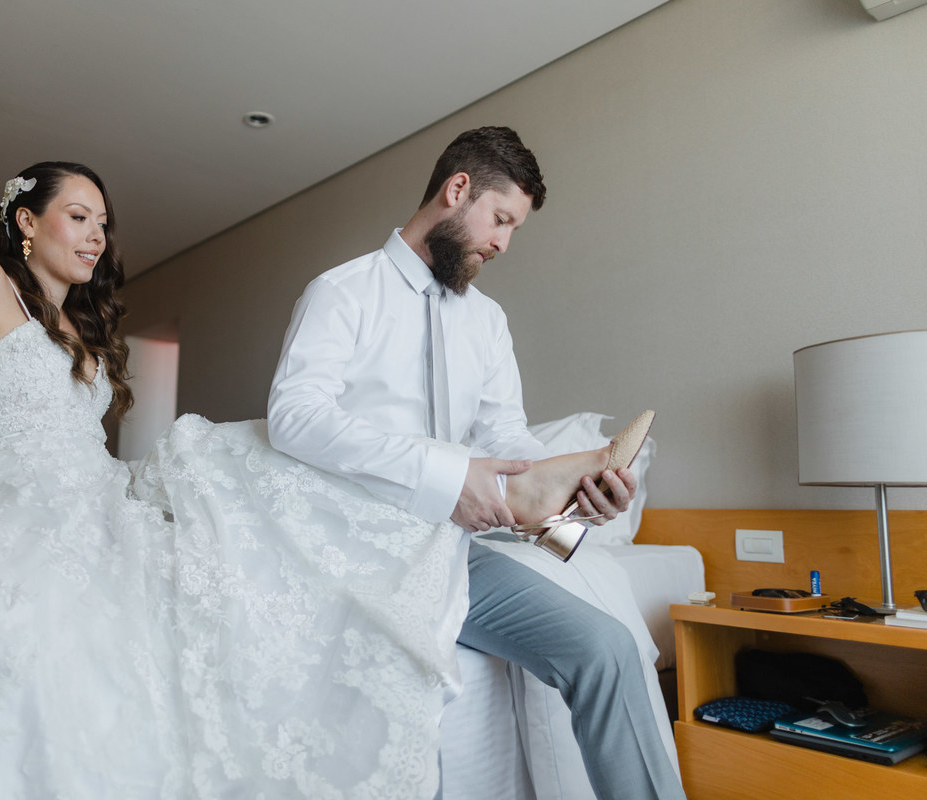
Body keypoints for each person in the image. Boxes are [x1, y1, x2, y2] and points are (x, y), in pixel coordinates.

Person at [0, 162, 481, 799]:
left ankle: (409, 529)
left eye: (102, 224)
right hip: (16, 503)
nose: (96, 237)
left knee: (231, 517)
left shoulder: (76, 322)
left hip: (102, 501)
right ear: (25, 220)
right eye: (78, 218)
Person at [268, 127, 687, 799]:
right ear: (457, 190)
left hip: (453, 554)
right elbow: (295, 417)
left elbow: (507, 440)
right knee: (405, 710)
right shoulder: (342, 292)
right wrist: (446, 474)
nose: (502, 243)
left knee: (609, 649)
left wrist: (574, 497)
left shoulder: (486, 321)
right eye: (501, 220)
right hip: (356, 551)